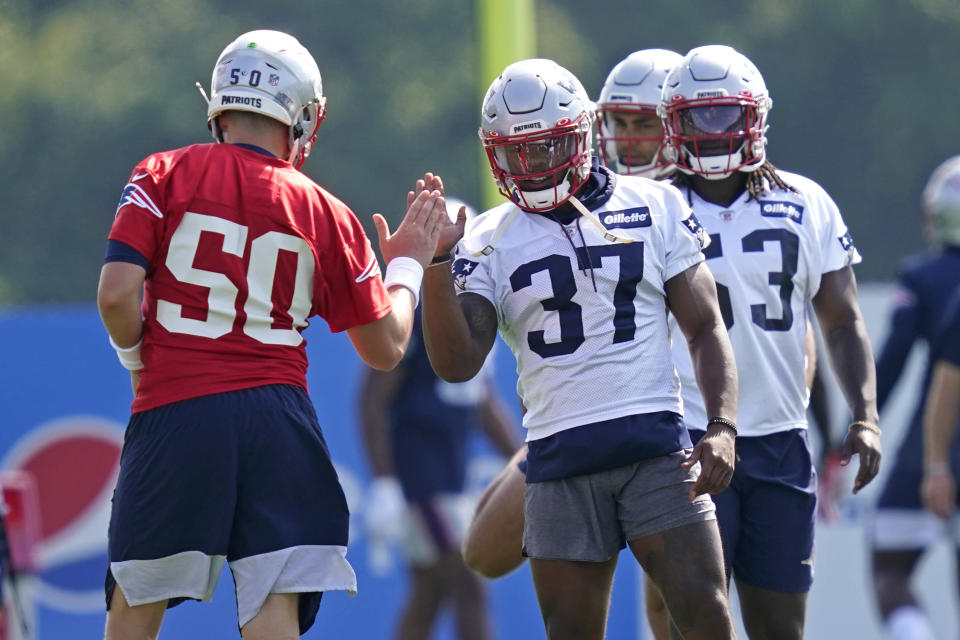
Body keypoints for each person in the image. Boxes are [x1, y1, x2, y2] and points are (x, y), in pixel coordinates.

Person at [96, 30, 447, 640]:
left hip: (175, 411)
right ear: (302, 115)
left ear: (221, 105)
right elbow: (387, 347)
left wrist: (137, 358)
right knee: (273, 615)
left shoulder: (162, 173)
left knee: (135, 606)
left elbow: (117, 294)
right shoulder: (324, 210)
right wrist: (409, 266)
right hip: (276, 422)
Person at [422, 58, 740, 640]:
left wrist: (721, 424)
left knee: (705, 617)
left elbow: (705, 326)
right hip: (559, 461)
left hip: (656, 447)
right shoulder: (488, 237)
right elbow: (457, 364)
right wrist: (438, 264)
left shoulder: (657, 204)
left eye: (547, 147)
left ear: (582, 134)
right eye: (519, 153)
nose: (534, 165)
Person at [657, 44, 882, 639]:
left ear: (754, 117)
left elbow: (841, 321)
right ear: (672, 124)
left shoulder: (807, 203)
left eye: (723, 115)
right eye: (695, 118)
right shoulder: (653, 208)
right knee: (699, 622)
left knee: (781, 627)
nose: (709, 132)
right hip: (688, 439)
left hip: (781, 442)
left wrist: (865, 415)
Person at [358, 199, 521, 640]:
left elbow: (482, 403)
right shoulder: (420, 309)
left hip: (450, 475)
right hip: (421, 476)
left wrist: (526, 457)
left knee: (431, 592)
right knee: (467, 583)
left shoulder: (472, 304)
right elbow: (373, 401)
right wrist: (387, 482)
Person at [869, 155, 960, 640]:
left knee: (889, 566)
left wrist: (861, 425)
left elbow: (895, 361)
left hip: (935, 444)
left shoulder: (923, 277)